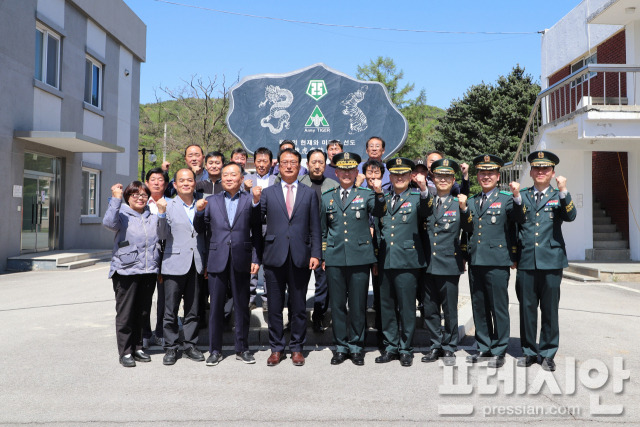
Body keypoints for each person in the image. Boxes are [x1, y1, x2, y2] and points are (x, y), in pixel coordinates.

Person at [194, 162, 263, 366]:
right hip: (217, 259)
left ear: (241, 179)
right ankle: (214, 350)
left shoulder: (250, 200)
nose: (229, 178)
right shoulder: (211, 201)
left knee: (242, 306)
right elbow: (200, 230)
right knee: (215, 307)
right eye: (225, 175)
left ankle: (242, 348)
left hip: (242, 258)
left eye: (233, 175)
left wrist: (256, 259)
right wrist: (198, 213)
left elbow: (258, 231)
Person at [321, 152, 385, 366]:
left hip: (359, 257)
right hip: (335, 257)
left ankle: (357, 347)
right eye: (343, 170)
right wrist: (323, 254)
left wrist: (378, 193)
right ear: (336, 172)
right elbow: (323, 230)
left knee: (357, 305)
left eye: (351, 170)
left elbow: (379, 212)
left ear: (357, 172)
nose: (347, 173)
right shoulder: (326, 196)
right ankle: (340, 347)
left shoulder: (366, 194)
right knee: (337, 305)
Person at [515, 151, 576, 372]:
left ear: (552, 173)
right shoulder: (521, 195)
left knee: (550, 309)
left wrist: (563, 191)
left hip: (551, 261)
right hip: (526, 261)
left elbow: (570, 216)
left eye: (546, 169)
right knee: (527, 309)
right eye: (537, 168)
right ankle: (529, 352)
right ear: (531, 172)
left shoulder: (558, 195)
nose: (541, 172)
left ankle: (548, 353)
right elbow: (516, 226)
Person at [260, 148, 321, 366]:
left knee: (298, 307)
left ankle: (297, 347)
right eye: (284, 162)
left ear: (299, 165)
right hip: (274, 256)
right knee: (274, 307)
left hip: (300, 256)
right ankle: (276, 348)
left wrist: (316, 253)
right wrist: (256, 202)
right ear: (278, 165)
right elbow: (257, 222)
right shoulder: (268, 192)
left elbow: (315, 226)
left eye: (293, 162)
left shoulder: (309, 193)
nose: (288, 166)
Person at [464, 155, 525, 368]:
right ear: (478, 176)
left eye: (490, 173)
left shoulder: (507, 199)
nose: (486, 177)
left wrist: (517, 196)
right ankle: (483, 346)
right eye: (482, 173)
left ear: (498, 176)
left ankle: (499, 348)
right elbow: (467, 231)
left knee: (498, 306)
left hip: (498, 261)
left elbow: (519, 218)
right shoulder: (471, 201)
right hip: (476, 260)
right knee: (479, 305)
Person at [374, 158, 429, 367]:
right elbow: (377, 222)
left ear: (410, 177)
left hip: (407, 260)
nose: (399, 178)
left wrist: (424, 188)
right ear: (389, 176)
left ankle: (406, 349)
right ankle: (391, 347)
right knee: (387, 306)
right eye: (395, 174)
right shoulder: (383, 197)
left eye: (404, 174)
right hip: (386, 258)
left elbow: (427, 210)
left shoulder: (417, 197)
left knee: (407, 307)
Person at [103, 181, 161, 367]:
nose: (140, 198)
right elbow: (108, 223)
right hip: (126, 271)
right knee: (126, 313)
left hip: (148, 271)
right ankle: (125, 351)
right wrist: (115, 199)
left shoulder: (152, 216)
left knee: (142, 312)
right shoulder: (121, 215)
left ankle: (137, 347)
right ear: (128, 197)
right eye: (135, 194)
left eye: (144, 195)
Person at [421, 158, 472, 366]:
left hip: (449, 263)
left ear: (453, 180)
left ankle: (449, 346)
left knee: (450, 309)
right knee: (430, 309)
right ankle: (435, 345)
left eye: (447, 176)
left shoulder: (457, 202)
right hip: (427, 264)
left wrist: (464, 209)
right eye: (439, 176)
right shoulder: (427, 201)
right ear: (432, 177)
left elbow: (469, 230)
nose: (443, 180)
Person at [156, 169, 207, 365]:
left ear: (195, 183)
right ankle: (170, 347)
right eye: (181, 181)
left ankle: (190, 345)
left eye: (189, 180)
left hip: (196, 262)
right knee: (170, 309)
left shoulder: (202, 204)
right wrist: (161, 214)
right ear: (175, 185)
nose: (186, 183)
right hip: (174, 264)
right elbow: (161, 235)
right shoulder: (167, 205)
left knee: (193, 310)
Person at [300, 149, 338, 332]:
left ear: (325, 164)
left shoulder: (333, 185)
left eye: (321, 162)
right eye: (313, 162)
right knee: (298, 283)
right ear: (307, 164)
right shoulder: (300, 183)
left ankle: (319, 316)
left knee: (323, 283)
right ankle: (296, 318)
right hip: (302, 240)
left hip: (324, 239)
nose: (317, 165)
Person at [245, 147, 277, 310]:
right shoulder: (247, 179)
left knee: (269, 264)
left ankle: (267, 298)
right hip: (252, 227)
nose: (262, 164)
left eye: (265, 161)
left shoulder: (276, 179)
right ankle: (250, 297)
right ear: (254, 162)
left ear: (271, 163)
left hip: (271, 227)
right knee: (253, 262)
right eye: (259, 161)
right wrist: (246, 189)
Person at [361, 158, 387, 349]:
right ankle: (358, 336)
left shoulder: (386, 193)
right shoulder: (358, 193)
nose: (372, 177)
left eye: (376, 173)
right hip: (360, 249)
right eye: (369, 173)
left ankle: (382, 336)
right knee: (358, 294)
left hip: (380, 249)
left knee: (381, 294)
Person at [142, 168, 169, 349]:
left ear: (166, 184)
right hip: (146, 257)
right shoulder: (140, 203)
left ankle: (160, 332)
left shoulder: (171, 203)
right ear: (147, 183)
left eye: (160, 179)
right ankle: (145, 333)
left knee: (164, 298)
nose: (157, 182)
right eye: (153, 179)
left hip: (167, 256)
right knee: (145, 297)